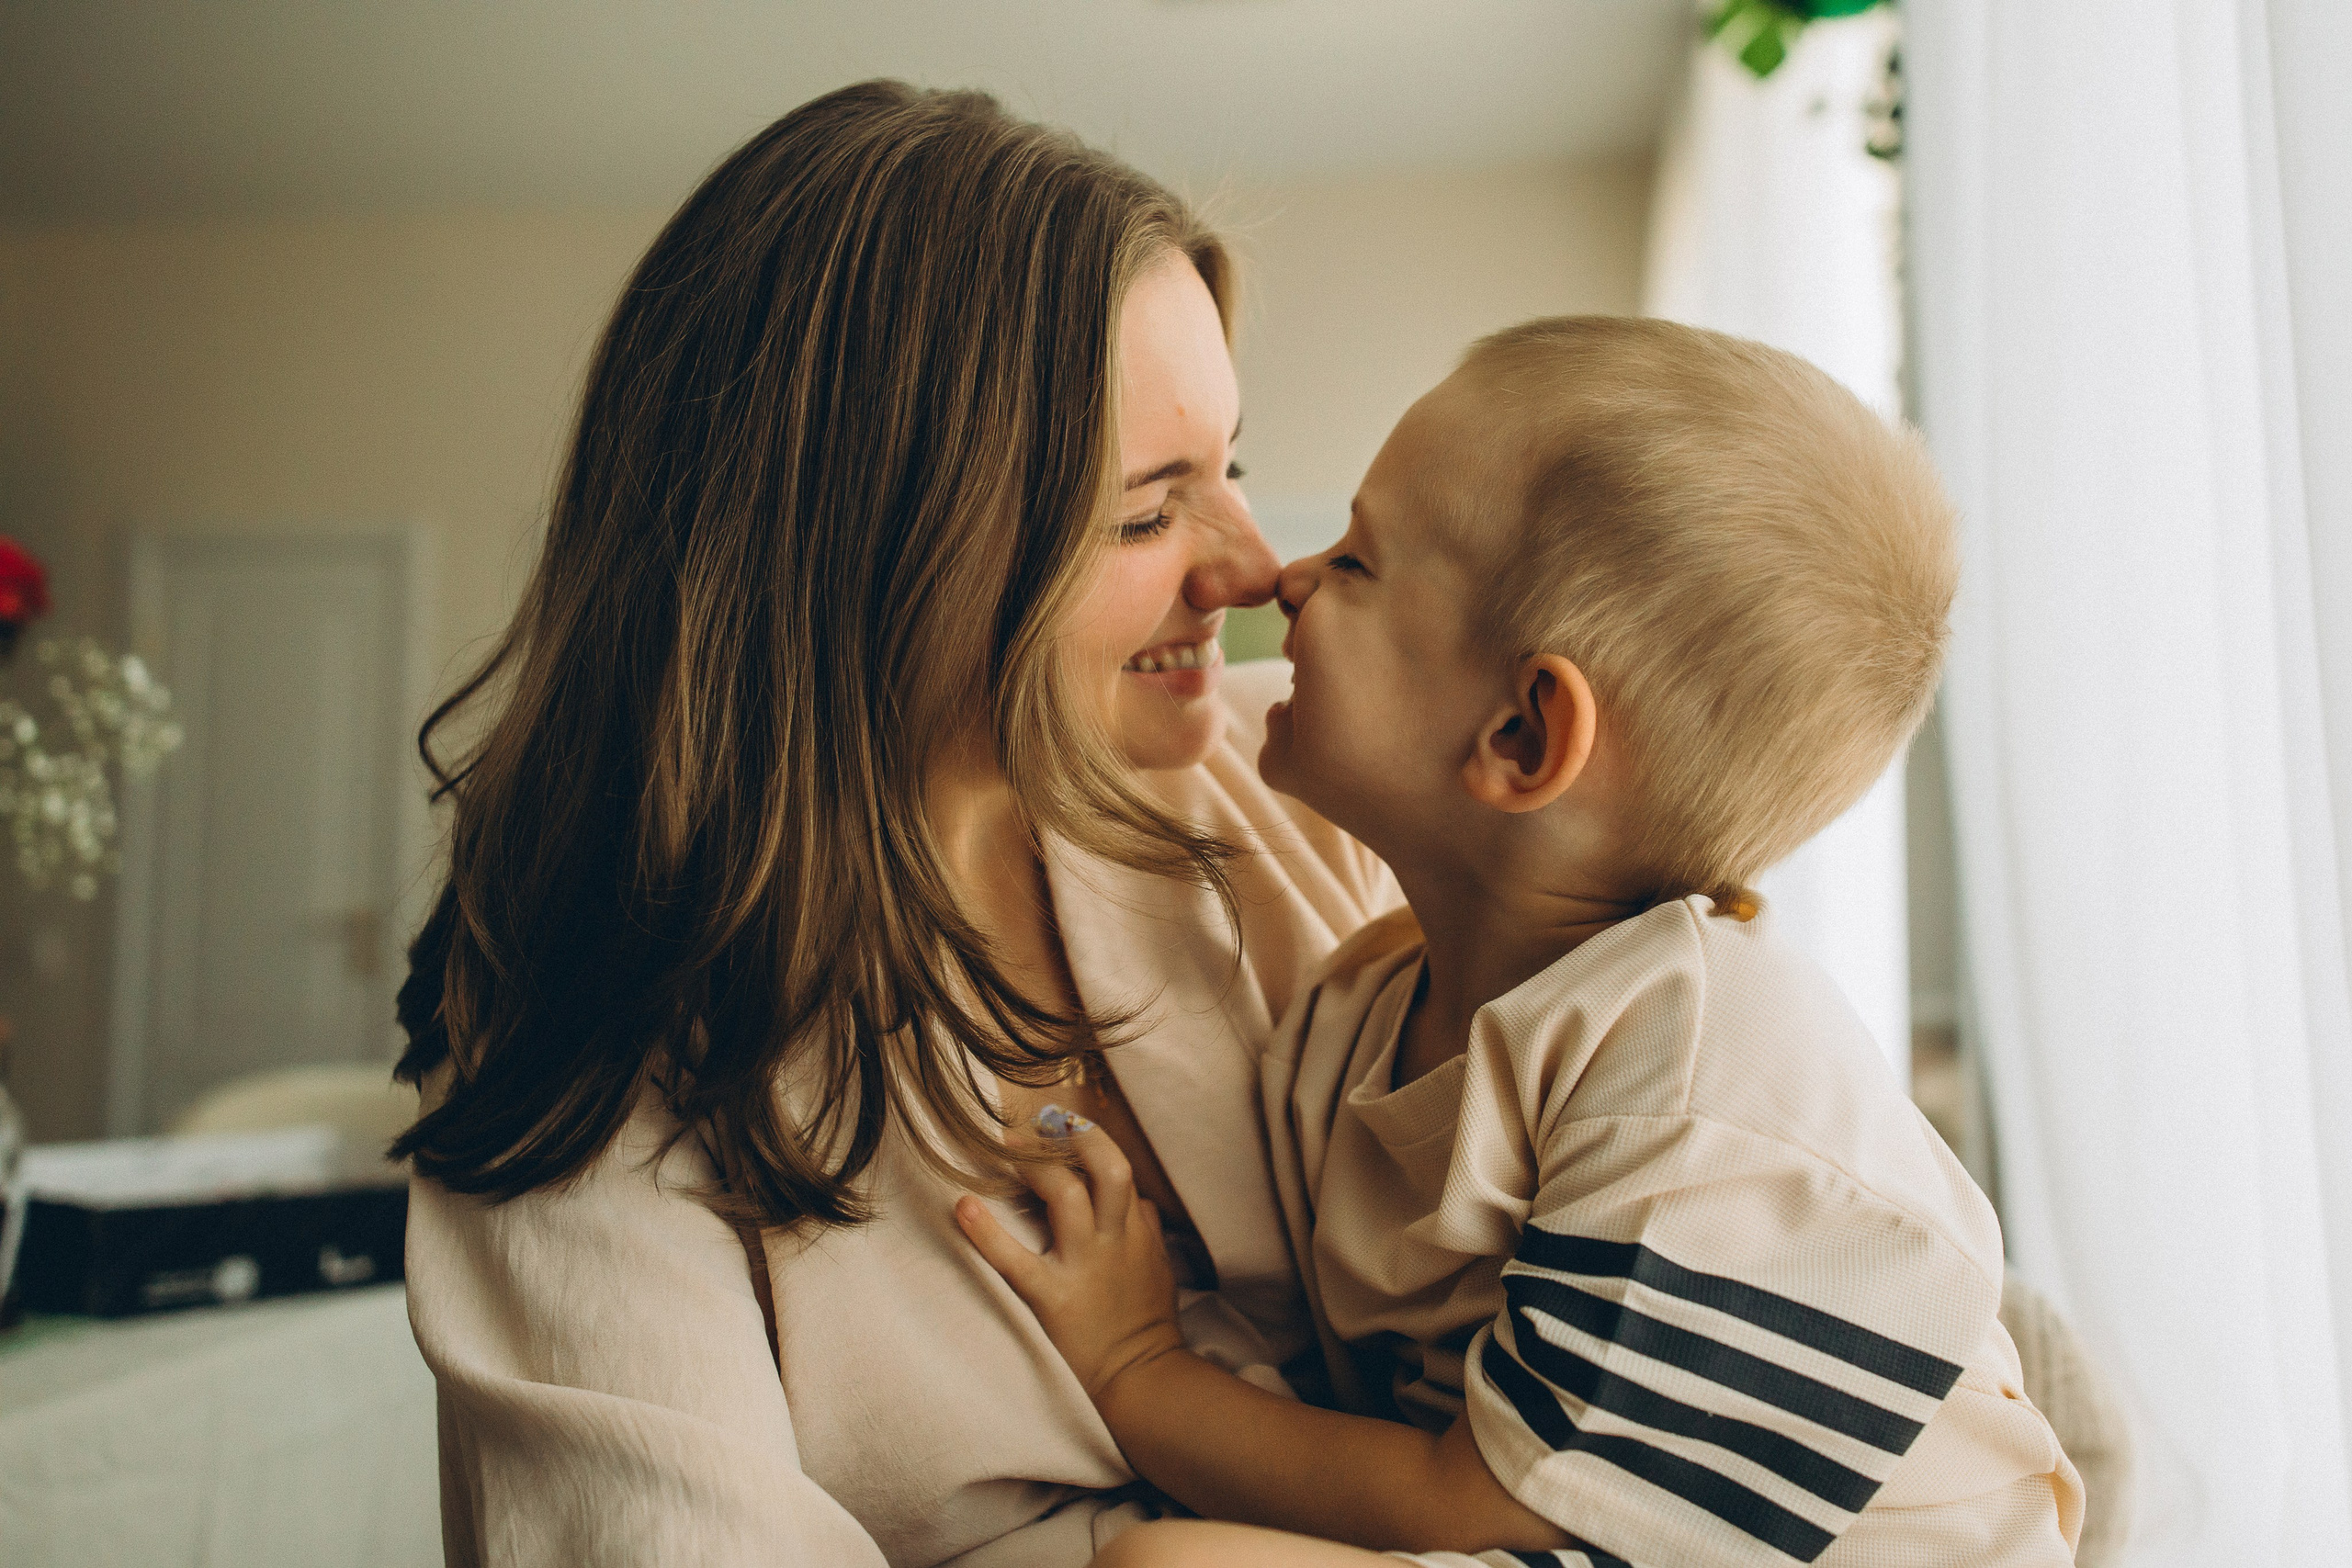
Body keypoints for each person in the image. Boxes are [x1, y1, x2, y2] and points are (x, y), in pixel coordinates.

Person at [392, 82, 1396, 1567]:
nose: (1251, 569)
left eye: (1231, 468)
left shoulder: (1312, 781)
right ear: (862, 555)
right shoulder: (597, 1007)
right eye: (1143, 513)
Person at [957, 318, 2086, 1566]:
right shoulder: (1359, 1010)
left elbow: (1490, 1504)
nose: (1285, 576)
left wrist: (1135, 1368)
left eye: (1359, 561)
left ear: (1522, 737)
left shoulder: (1711, 1074)